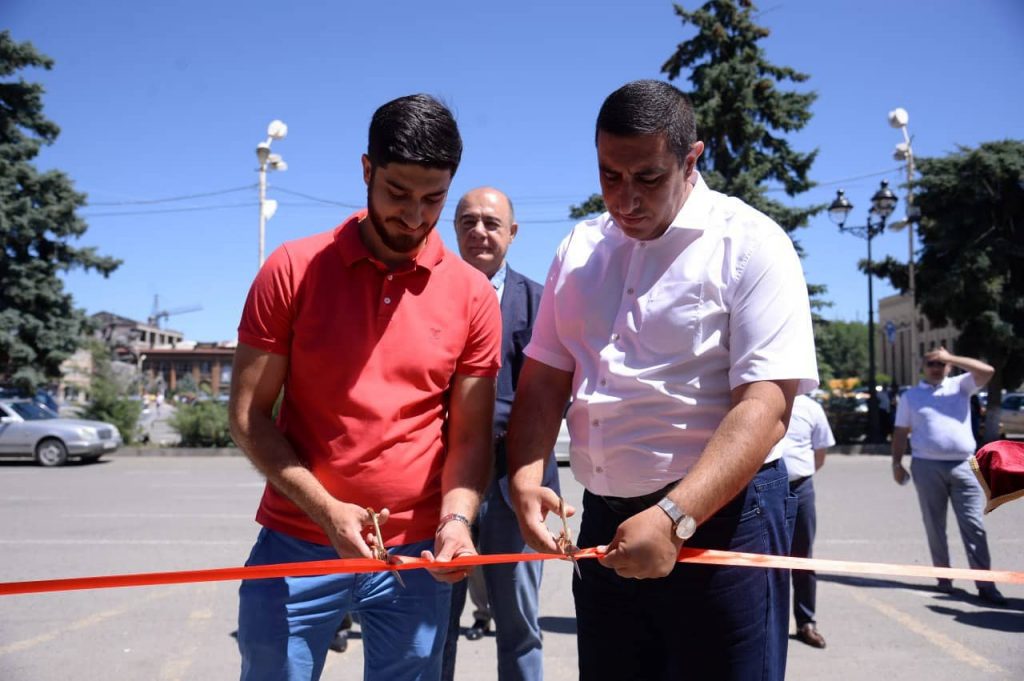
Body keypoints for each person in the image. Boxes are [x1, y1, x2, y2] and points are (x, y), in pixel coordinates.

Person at [505, 79, 818, 681]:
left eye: (647, 177)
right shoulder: (579, 247)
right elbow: (544, 378)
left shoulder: (752, 243)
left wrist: (675, 516)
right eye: (609, 175)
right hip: (605, 522)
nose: (625, 199)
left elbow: (765, 406)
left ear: (691, 158)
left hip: (722, 519)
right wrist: (525, 478)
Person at [229, 94, 502, 681]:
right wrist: (326, 511)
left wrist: (456, 522)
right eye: (398, 193)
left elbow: (470, 438)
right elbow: (249, 416)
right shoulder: (292, 269)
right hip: (297, 541)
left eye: (434, 199)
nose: (415, 217)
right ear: (366, 170)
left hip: (417, 554)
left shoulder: (474, 296)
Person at [442, 187, 559, 681]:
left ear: (512, 233)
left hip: (518, 485)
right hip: (445, 485)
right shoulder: (428, 298)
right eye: (467, 222)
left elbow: (552, 393)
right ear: (454, 230)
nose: (479, 232)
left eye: (491, 223)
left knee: (519, 625)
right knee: (434, 624)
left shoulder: (541, 303)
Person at [891, 346, 1006, 605]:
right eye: (931, 363)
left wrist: (950, 356)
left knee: (974, 525)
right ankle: (944, 578)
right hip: (926, 465)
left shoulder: (960, 386)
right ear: (923, 367)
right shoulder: (911, 396)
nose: (936, 367)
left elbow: (987, 371)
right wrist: (896, 463)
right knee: (935, 525)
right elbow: (900, 431)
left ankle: (985, 584)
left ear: (949, 366)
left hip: (964, 465)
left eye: (940, 363)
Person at [780, 393, 835, 649]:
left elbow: (819, 454)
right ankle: (769, 624)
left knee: (803, 557)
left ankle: (806, 622)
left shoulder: (810, 408)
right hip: (763, 491)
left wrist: (799, 473)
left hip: (800, 488)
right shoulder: (763, 400)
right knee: (763, 559)